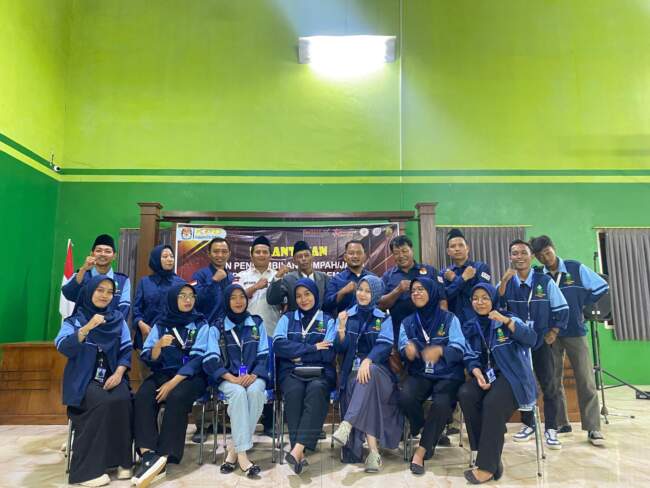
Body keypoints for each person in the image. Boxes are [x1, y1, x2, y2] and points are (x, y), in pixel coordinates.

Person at [54, 275, 133, 487]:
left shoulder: (118, 320)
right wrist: (87, 327)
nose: (105, 295)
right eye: (100, 290)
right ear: (89, 291)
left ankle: (120, 461)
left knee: (123, 399)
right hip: (83, 381)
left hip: (112, 376)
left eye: (110, 292)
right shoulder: (74, 321)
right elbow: (63, 347)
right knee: (101, 402)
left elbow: (126, 351)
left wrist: (118, 374)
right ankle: (86, 472)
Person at [530, 235, 609, 446]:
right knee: (553, 380)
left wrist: (582, 303)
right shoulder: (539, 276)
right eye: (540, 256)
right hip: (551, 334)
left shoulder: (575, 268)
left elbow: (601, 286)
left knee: (585, 379)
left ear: (554, 248)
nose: (545, 258)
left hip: (575, 331)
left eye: (547, 252)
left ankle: (593, 428)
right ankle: (561, 423)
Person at [132, 284, 210, 487]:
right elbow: (148, 356)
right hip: (162, 374)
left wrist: (172, 383)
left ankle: (166, 454)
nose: (187, 300)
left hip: (190, 377)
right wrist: (158, 345)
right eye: (182, 296)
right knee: (144, 395)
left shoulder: (201, 323)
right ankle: (148, 454)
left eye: (191, 296)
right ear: (173, 299)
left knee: (177, 396)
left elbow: (198, 359)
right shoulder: (160, 324)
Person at [459, 283, 538, 484]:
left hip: (513, 377)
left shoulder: (508, 318)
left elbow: (531, 339)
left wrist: (506, 321)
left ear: (493, 299)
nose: (480, 302)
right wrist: (476, 372)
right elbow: (469, 356)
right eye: (475, 298)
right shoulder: (470, 326)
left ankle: (486, 467)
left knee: (492, 403)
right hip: (487, 375)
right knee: (466, 394)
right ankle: (489, 456)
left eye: (485, 298)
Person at [498, 239, 569, 450]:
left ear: (531, 257)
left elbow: (562, 308)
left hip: (540, 341)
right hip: (517, 343)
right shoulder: (507, 281)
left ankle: (552, 429)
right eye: (514, 253)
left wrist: (554, 331)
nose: (519, 257)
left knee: (549, 385)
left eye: (523, 252)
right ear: (510, 257)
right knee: (523, 384)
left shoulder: (544, 281)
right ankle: (529, 424)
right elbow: (496, 306)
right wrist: (503, 281)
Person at [331, 276, 403, 472]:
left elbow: (385, 345)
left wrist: (368, 360)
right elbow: (339, 348)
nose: (362, 294)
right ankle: (373, 452)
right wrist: (342, 327)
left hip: (380, 372)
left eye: (368, 291)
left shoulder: (384, 318)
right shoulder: (347, 315)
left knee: (368, 373)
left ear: (376, 294)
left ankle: (347, 424)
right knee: (363, 386)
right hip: (354, 374)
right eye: (360, 289)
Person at [397, 278, 466, 475]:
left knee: (441, 404)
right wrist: (406, 350)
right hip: (421, 372)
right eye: (413, 290)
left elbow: (460, 348)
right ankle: (424, 428)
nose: (416, 293)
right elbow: (402, 345)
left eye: (421, 289)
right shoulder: (408, 322)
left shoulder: (449, 318)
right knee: (405, 397)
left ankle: (421, 450)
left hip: (447, 374)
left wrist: (441, 350)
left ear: (432, 292)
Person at [203, 284, 269, 478]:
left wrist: (254, 375)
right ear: (226, 301)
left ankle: (233, 451)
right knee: (239, 393)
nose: (238, 301)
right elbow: (211, 359)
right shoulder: (217, 327)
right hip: (227, 377)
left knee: (256, 392)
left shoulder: (256, 323)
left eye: (242, 297)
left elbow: (264, 354)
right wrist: (231, 377)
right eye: (233, 298)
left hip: (254, 376)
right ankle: (243, 457)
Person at [272, 278, 336, 474]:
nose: (303, 299)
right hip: (291, 372)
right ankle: (299, 452)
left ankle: (297, 449)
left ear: (315, 295)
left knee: (317, 390)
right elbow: (279, 346)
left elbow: (328, 354)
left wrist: (298, 355)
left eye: (307, 294)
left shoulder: (328, 320)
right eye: (298, 296)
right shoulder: (287, 318)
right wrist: (313, 348)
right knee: (294, 392)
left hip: (320, 372)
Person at [236, 235, 282, 438]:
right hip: (246, 337)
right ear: (251, 254)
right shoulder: (242, 275)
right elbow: (235, 299)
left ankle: (269, 421)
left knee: (270, 377)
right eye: (258, 251)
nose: (262, 255)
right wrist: (256, 286)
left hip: (271, 332)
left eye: (265, 252)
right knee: (248, 376)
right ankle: (245, 421)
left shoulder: (278, 275)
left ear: (270, 255)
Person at [379, 235, 447, 340]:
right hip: (401, 334)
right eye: (396, 253)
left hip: (430, 331)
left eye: (405, 251)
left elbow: (442, 300)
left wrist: (442, 328)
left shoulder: (430, 271)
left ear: (412, 250)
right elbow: (381, 305)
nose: (401, 255)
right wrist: (397, 290)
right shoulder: (387, 276)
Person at [62, 234, 131, 320]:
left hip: (111, 326)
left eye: (107, 251)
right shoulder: (81, 274)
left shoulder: (123, 280)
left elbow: (124, 310)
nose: (103, 254)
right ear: (92, 254)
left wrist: (104, 324)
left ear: (114, 256)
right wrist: (83, 269)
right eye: (98, 250)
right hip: (82, 325)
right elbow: (68, 294)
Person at [132, 245, 185, 351]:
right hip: (147, 336)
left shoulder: (180, 283)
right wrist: (140, 324)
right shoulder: (145, 282)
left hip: (173, 339)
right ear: (156, 259)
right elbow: (136, 309)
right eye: (165, 256)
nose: (170, 259)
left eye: (171, 256)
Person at [439, 228, 492, 324]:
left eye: (461, 245)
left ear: (467, 248)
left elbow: (480, 295)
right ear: (448, 251)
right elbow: (444, 296)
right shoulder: (444, 273)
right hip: (453, 324)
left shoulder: (480, 268)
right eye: (453, 246)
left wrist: (454, 279)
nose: (457, 249)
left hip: (478, 323)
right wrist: (463, 279)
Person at [266, 240, 330, 312]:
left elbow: (330, 303)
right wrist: (277, 277)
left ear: (312, 256)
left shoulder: (324, 278)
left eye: (306, 255)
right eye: (299, 256)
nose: (304, 259)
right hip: (296, 318)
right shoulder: (288, 279)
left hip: (320, 318)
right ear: (294, 260)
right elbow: (272, 300)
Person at [324, 239, 376, 315]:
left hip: (370, 321)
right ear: (345, 257)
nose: (355, 256)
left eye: (359, 253)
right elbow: (326, 306)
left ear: (364, 256)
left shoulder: (373, 278)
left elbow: (380, 303)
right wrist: (343, 292)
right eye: (351, 253)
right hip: (344, 321)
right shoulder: (336, 280)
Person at [192, 237, 236, 323]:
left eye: (224, 252)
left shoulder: (231, 277)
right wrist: (214, 281)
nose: (220, 255)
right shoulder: (199, 275)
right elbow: (195, 301)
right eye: (216, 251)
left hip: (227, 327)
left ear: (229, 254)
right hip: (206, 326)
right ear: (209, 253)